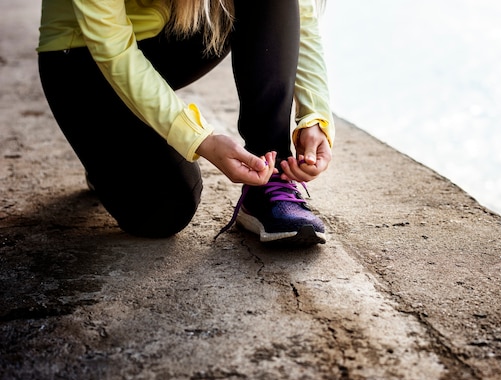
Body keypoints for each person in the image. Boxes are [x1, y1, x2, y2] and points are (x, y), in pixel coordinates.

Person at [36, 0, 335, 246]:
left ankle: (269, 182)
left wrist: (314, 116)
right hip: (81, 58)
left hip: (167, 36)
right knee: (163, 209)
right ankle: (103, 152)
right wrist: (200, 139)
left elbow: (296, 13)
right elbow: (112, 48)